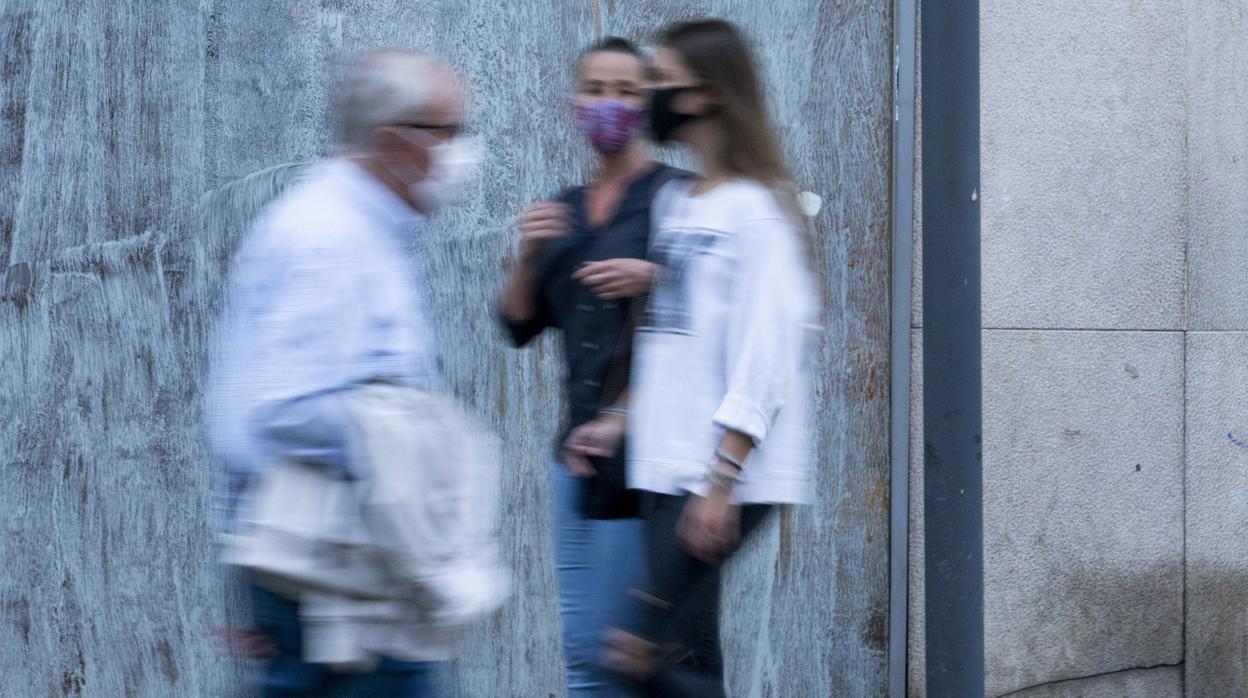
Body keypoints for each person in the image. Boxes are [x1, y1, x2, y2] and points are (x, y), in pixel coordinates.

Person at [205, 49, 482, 697]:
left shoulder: (360, 229)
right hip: (333, 575)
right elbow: (281, 411)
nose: (464, 152)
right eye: (450, 132)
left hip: (348, 573)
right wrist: (416, 433)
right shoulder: (329, 239)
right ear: (394, 141)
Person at [582, 19, 820, 697]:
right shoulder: (680, 204)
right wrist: (621, 419)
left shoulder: (759, 213)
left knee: (639, 656)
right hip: (668, 466)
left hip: (719, 474)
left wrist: (721, 481)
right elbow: (673, 339)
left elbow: (768, 349)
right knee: (678, 662)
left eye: (657, 82)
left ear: (705, 95)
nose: (643, 98)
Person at [499, 37, 686, 697]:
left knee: (628, 656)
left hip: (650, 460)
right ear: (575, 103)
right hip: (575, 460)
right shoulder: (566, 209)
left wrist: (655, 274)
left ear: (647, 103)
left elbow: (720, 306)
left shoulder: (676, 199)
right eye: (597, 89)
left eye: (627, 91)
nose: (610, 103)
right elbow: (517, 326)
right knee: (582, 651)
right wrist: (526, 256)